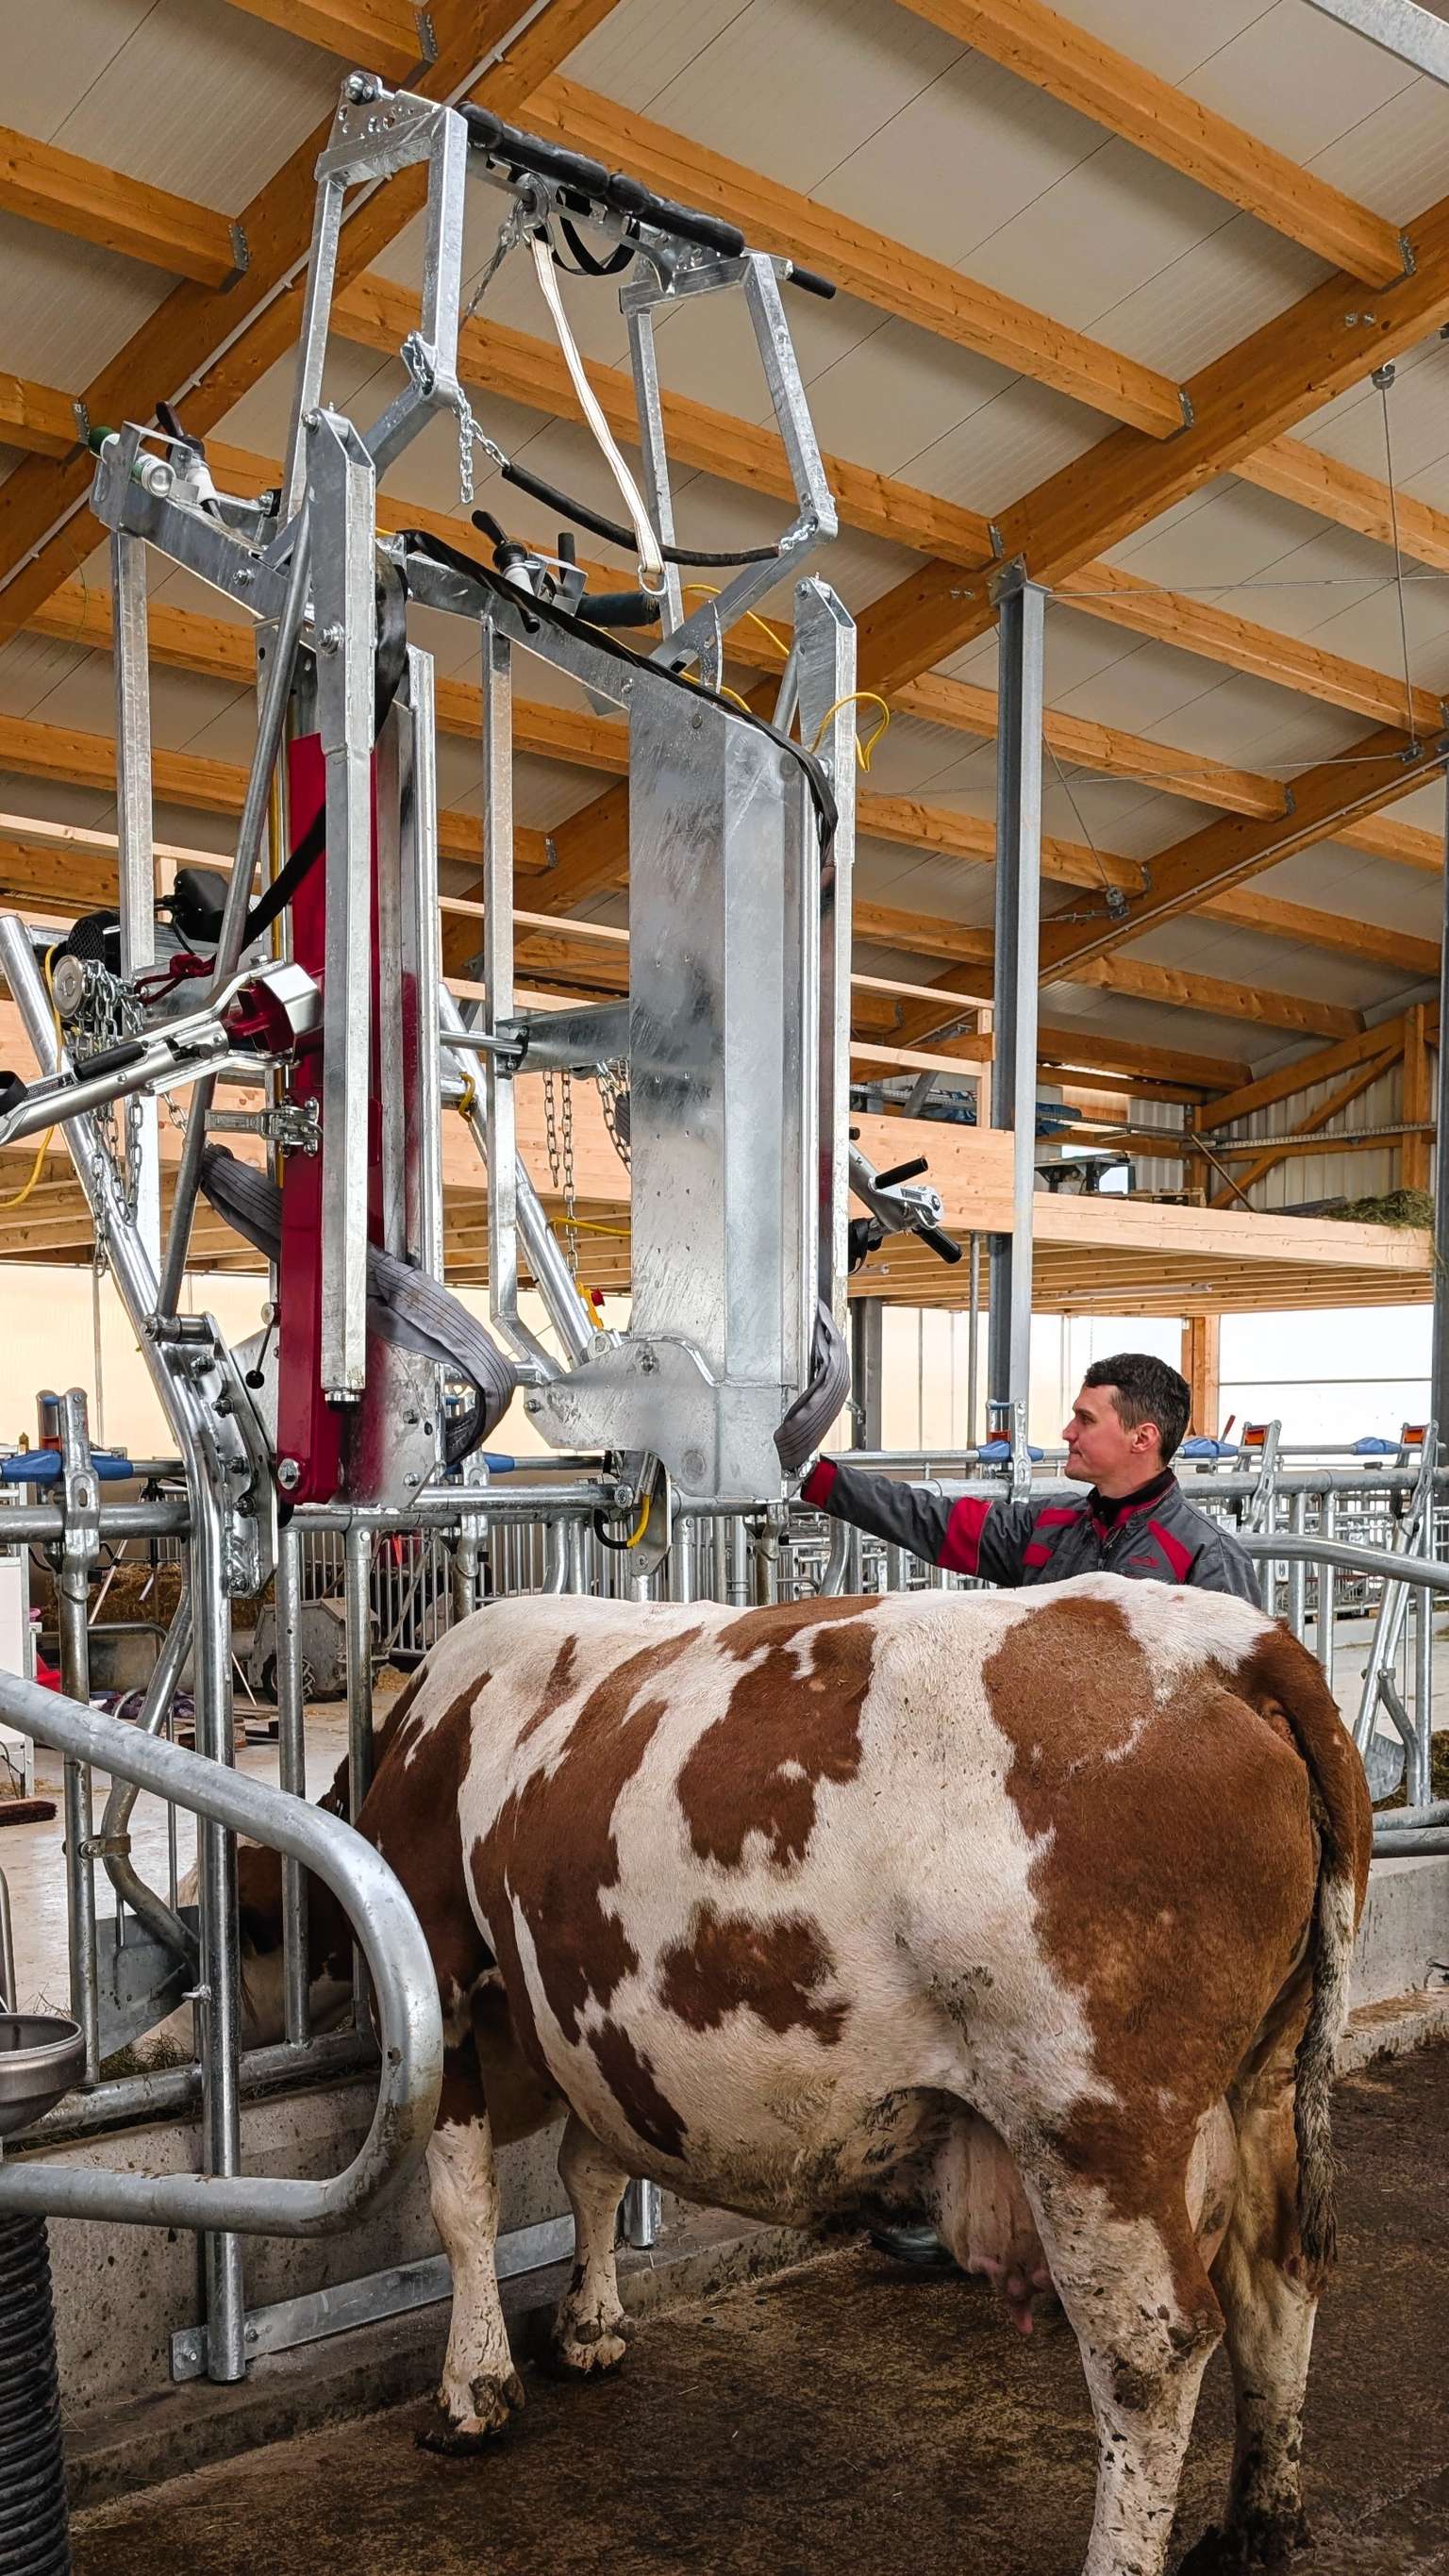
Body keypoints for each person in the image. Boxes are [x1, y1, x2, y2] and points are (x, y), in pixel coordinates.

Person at [802, 1349, 1259, 1604]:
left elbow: (1241, 1706)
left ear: (1142, 1438)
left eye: (1086, 1420)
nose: (1067, 1432)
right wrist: (815, 1476)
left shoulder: (1207, 1559)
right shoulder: (1050, 1525)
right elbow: (928, 1519)